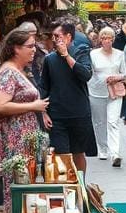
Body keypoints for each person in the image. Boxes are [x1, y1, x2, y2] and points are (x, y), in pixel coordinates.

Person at [0, 28, 50, 212]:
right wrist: (33, 106)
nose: (34, 50)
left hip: (22, 136)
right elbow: (0, 106)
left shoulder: (18, 70)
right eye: (30, 46)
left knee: (23, 181)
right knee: (14, 183)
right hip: (14, 137)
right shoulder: (8, 71)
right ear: (16, 48)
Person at [40, 20, 97, 175]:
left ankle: (81, 189)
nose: (54, 39)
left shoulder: (81, 53)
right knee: (60, 154)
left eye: (57, 36)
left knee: (79, 153)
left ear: (68, 37)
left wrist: (67, 56)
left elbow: (86, 75)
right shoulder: (49, 59)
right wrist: (43, 112)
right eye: (53, 36)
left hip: (79, 113)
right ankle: (64, 190)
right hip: (57, 115)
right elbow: (44, 87)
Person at [88, 27, 126, 167]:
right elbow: (89, 73)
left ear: (113, 40)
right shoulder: (93, 54)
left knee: (113, 121)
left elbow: (125, 73)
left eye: (109, 38)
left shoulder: (120, 54)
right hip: (96, 91)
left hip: (115, 92)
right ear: (100, 40)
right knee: (99, 122)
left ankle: (115, 153)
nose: (106, 41)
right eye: (104, 38)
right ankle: (103, 148)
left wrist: (116, 77)